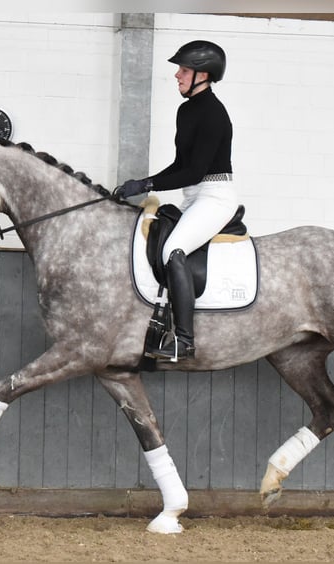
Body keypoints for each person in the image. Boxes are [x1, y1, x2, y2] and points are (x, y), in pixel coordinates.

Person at [116, 40, 237, 361]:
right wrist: (140, 184)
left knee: (173, 250)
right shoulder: (187, 110)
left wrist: (149, 183)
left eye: (183, 70)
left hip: (215, 196)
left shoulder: (213, 113)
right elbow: (180, 166)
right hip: (194, 196)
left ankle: (184, 340)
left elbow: (195, 171)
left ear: (203, 74)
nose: (177, 76)